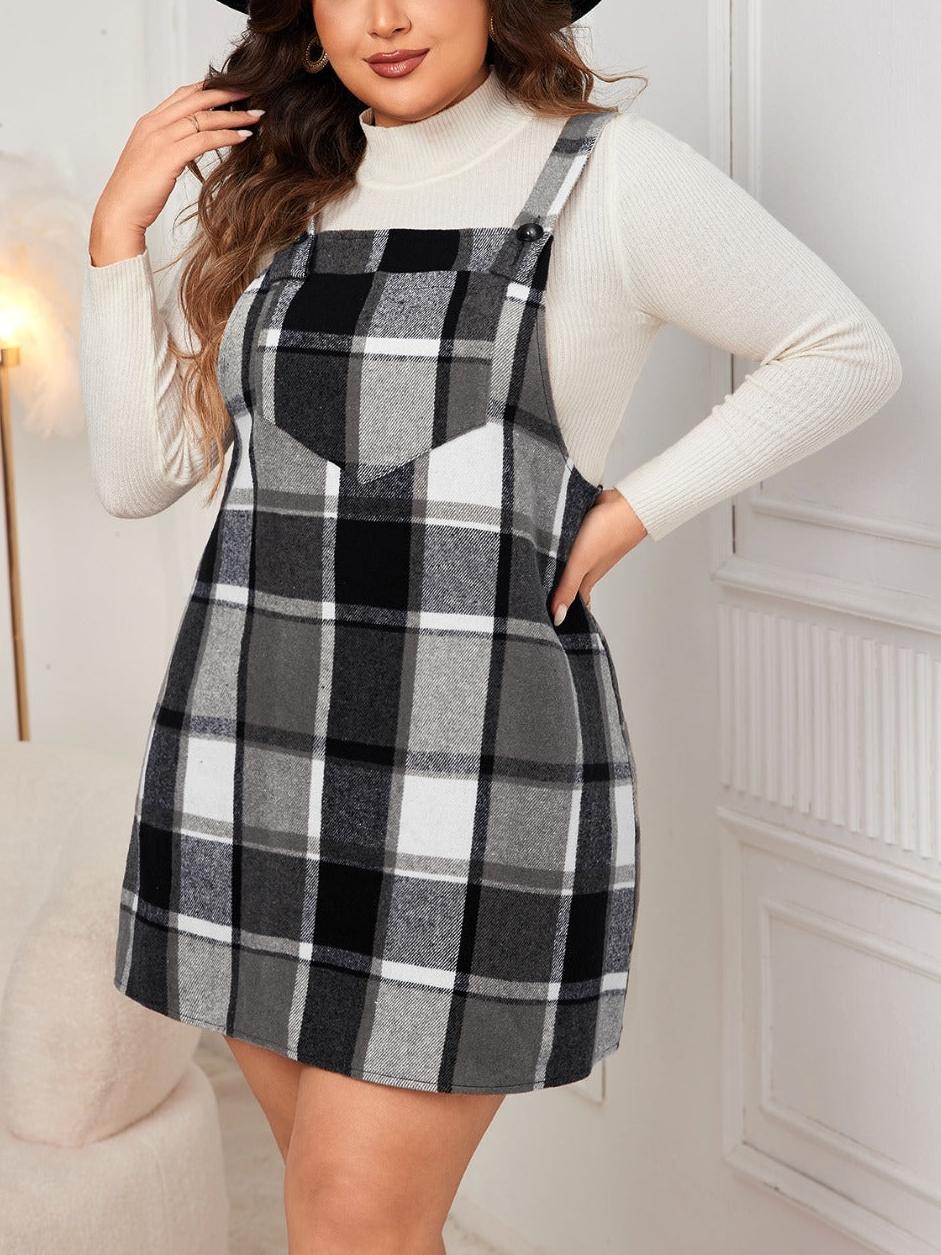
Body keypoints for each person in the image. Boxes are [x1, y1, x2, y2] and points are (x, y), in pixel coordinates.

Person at [80, 1, 901, 1250]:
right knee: (354, 1221)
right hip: (246, 750)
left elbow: (842, 350)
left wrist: (629, 512)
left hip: (464, 774)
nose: (385, 17)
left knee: (350, 1222)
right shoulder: (282, 189)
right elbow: (139, 477)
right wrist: (116, 233)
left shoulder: (604, 175)